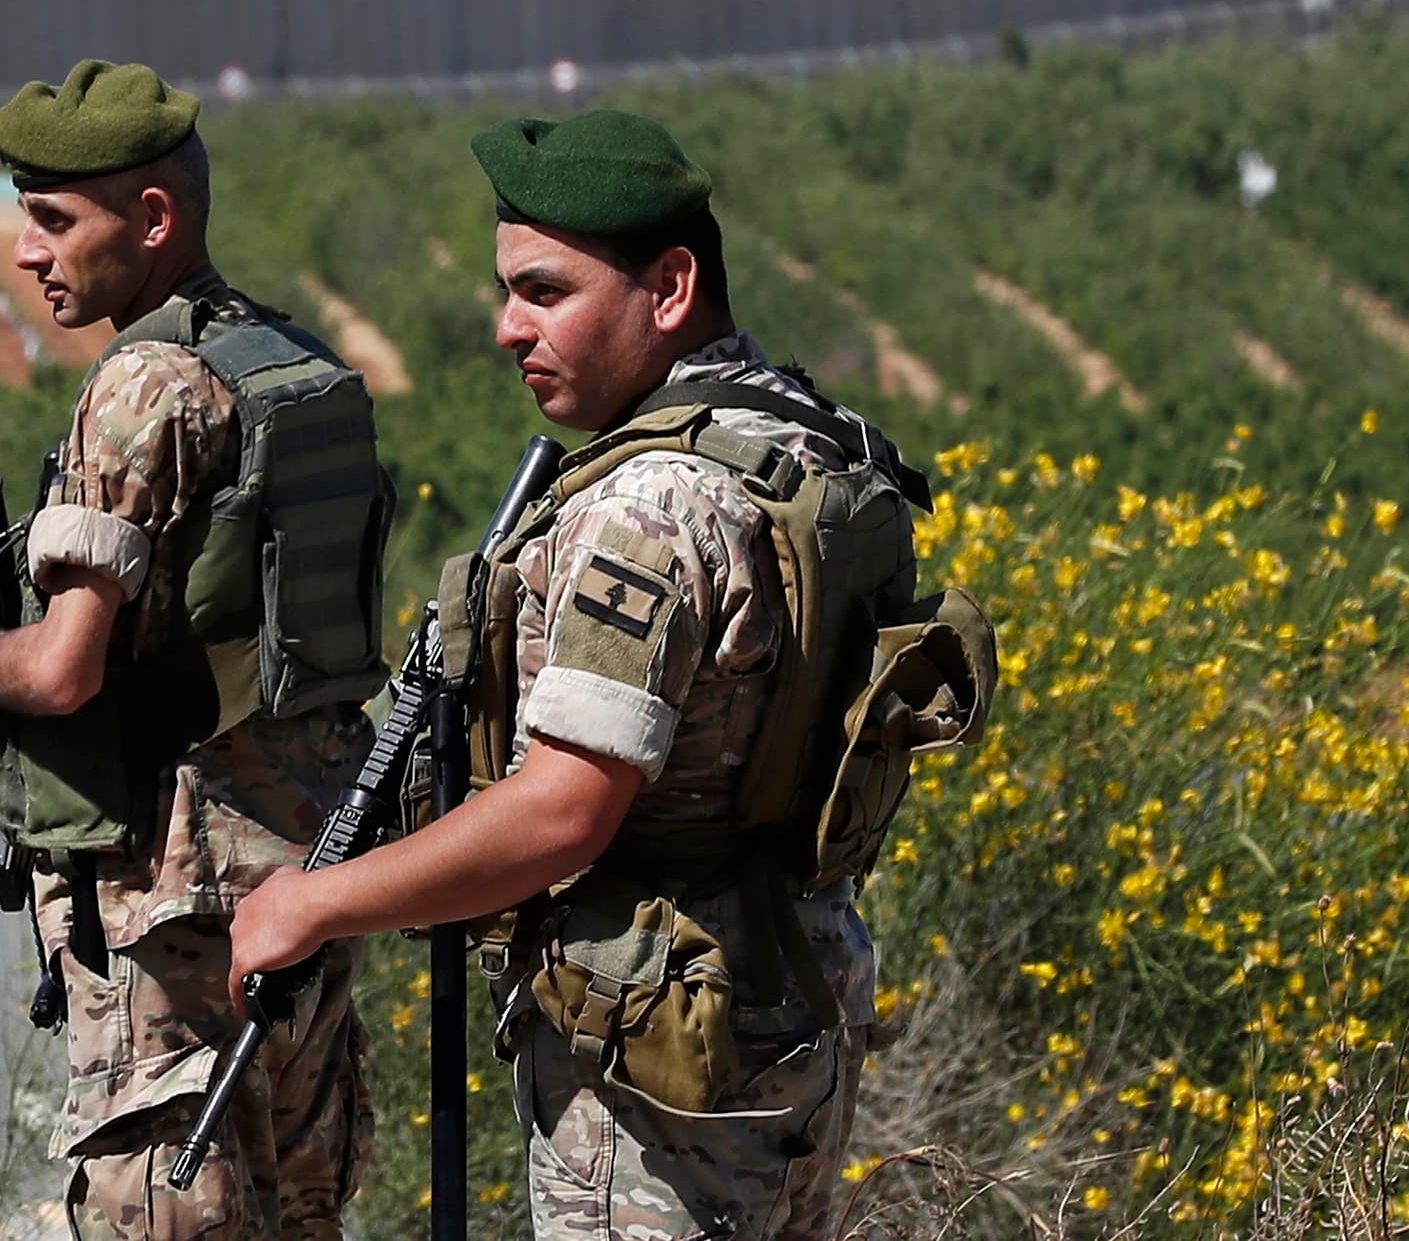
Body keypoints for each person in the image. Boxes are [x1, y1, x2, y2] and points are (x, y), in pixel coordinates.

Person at [229, 108, 990, 1241]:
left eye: (545, 291)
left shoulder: (649, 508)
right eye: (507, 290)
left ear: (670, 286)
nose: (507, 327)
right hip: (791, 1007)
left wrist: (315, 902)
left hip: (662, 1074)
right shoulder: (808, 438)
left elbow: (564, 810)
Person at [0, 60, 390, 1240]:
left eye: (53, 219)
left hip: (173, 900)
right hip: (304, 869)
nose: (29, 251)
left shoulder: (144, 381)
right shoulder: (286, 364)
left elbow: (61, 669)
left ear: (152, 217)